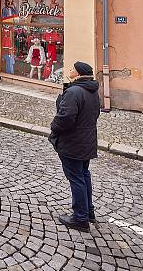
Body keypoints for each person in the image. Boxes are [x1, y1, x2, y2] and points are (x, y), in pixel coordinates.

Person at [49, 61, 100, 233]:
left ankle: (80, 218)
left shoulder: (74, 91)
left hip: (73, 142)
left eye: (72, 69)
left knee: (76, 178)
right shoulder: (91, 90)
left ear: (77, 74)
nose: (69, 71)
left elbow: (65, 117)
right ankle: (88, 211)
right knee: (84, 175)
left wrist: (54, 127)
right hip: (86, 141)